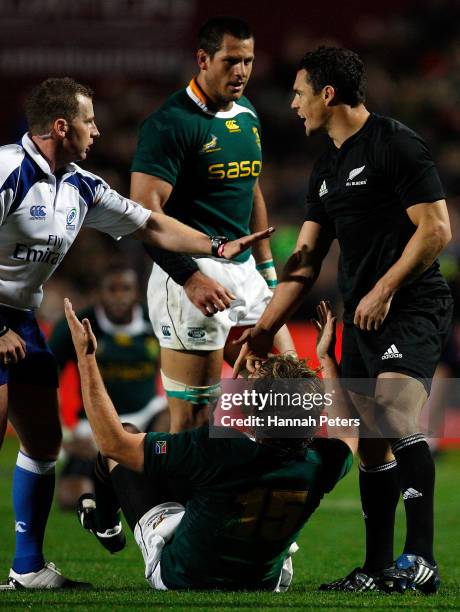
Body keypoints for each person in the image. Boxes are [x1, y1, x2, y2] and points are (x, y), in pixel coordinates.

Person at [0, 77, 271, 590]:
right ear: (61, 125)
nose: (97, 129)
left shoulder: (81, 185)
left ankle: (28, 567)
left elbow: (150, 225)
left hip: (20, 312)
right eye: (89, 120)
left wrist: (215, 244)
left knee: (45, 441)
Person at [233, 47, 453, 593]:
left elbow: (436, 229)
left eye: (299, 92)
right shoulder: (327, 167)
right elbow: (304, 263)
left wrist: (384, 288)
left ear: (327, 94)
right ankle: (377, 567)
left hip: (410, 304)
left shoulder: (395, 143)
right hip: (360, 314)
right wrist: (261, 332)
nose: (293, 103)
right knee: (371, 443)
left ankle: (419, 559)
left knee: (397, 415)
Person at [66, 297, 358, 591]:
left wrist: (86, 359)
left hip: (182, 576)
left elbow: (114, 444)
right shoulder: (324, 462)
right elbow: (349, 429)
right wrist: (326, 358)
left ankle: (105, 524)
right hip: (263, 581)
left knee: (127, 438)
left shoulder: (218, 449)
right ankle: (104, 522)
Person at [130, 16, 294, 433]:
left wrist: (268, 272)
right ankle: (149, 492)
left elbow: (250, 188)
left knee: (287, 397)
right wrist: (190, 279)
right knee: (194, 422)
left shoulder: (248, 113)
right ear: (203, 59)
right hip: (190, 276)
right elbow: (145, 218)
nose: (241, 71)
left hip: (246, 275)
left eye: (249, 61)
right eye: (231, 60)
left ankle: (252, 497)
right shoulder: (169, 124)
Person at [49, 264, 166, 513]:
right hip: (95, 427)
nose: (119, 296)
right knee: (72, 498)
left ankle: (166, 476)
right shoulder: (77, 326)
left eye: (126, 289)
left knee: (172, 419)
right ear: (98, 293)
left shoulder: (155, 320)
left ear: (137, 292)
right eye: (111, 290)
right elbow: (45, 381)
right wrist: (63, 438)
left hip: (148, 415)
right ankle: (121, 483)